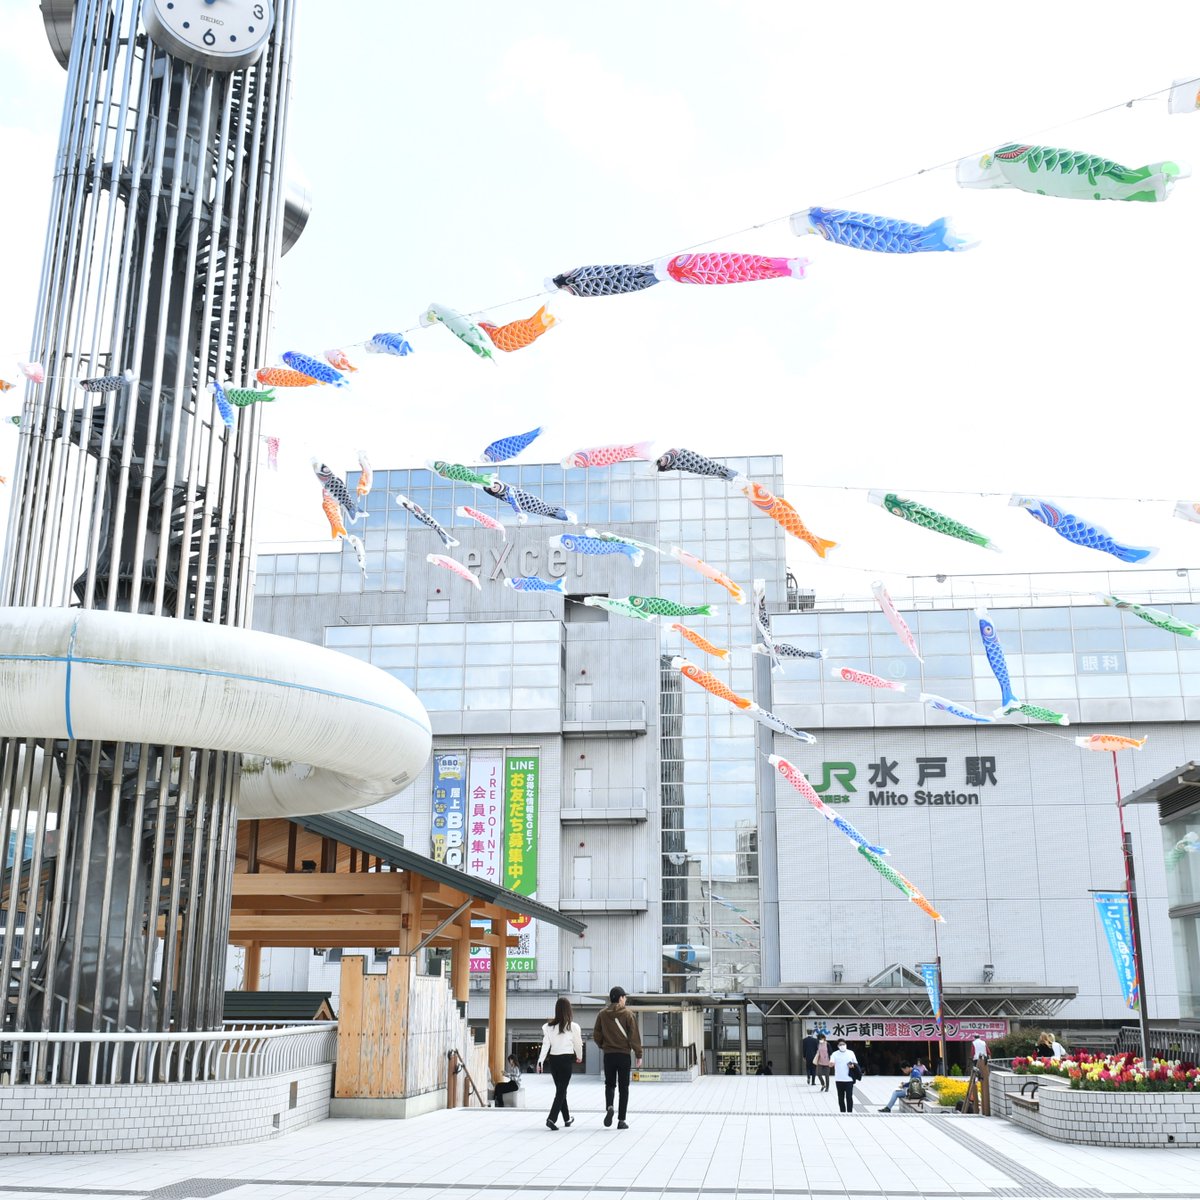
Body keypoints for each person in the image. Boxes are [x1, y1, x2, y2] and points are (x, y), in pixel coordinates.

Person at [593, 985, 642, 1130]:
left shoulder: (602, 1014)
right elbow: (634, 1036)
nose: (625, 1000)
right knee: (623, 1088)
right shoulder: (628, 1014)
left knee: (609, 1084)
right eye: (624, 997)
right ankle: (621, 1120)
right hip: (624, 1055)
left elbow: (596, 1034)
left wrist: (603, 1045)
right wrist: (638, 1054)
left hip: (609, 1055)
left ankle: (609, 1106)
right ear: (620, 998)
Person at [538, 996, 583, 1131]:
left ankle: (567, 1118)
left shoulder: (548, 1027)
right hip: (565, 1060)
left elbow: (546, 1045)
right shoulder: (573, 1027)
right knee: (561, 1091)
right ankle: (551, 1119)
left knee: (560, 1090)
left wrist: (540, 1061)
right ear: (569, 1010)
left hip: (553, 1060)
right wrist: (579, 1056)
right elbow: (578, 1044)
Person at [830, 1039, 859, 1113]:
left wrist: (852, 1066)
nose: (842, 1046)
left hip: (849, 1079)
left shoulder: (851, 1053)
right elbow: (831, 1063)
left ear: (846, 1044)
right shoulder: (834, 1054)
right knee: (840, 1097)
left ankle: (850, 1112)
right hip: (839, 1079)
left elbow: (855, 1064)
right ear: (838, 1046)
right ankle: (842, 1112)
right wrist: (831, 1064)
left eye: (843, 1044)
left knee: (849, 1097)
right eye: (840, 1045)